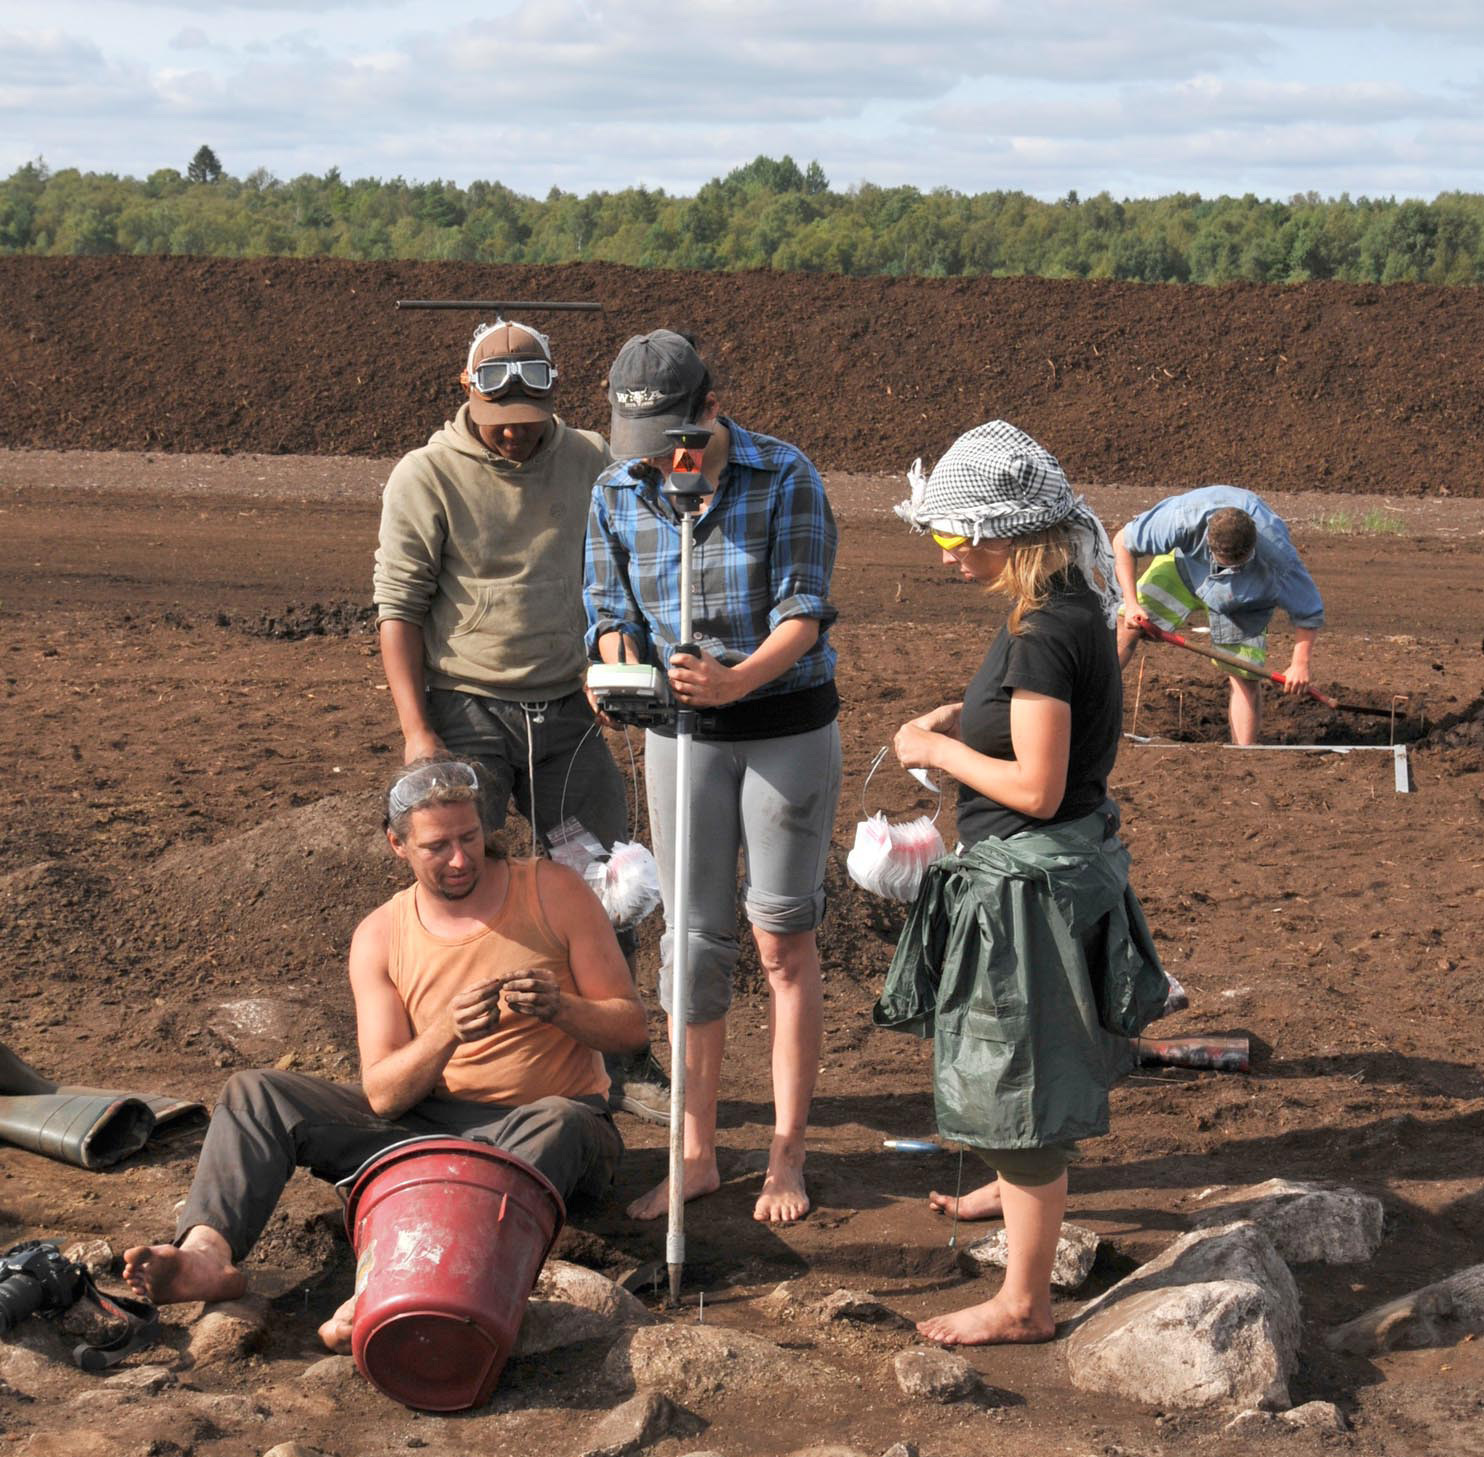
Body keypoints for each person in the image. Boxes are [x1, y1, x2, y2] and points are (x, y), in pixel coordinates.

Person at [124, 758, 644, 1349]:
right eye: (437, 846)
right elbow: (385, 1095)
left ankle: (399, 1280)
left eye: (470, 837)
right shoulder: (380, 934)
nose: (459, 858)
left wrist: (562, 1010)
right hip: (432, 1125)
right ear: (397, 844)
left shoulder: (552, 890)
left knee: (561, 1120)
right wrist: (445, 1032)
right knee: (256, 1093)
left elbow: (631, 1030)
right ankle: (205, 1256)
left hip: (554, 1127)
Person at [876, 421, 1169, 1346]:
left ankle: (1024, 1301)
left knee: (1018, 1084)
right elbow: (1048, 736)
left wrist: (933, 748)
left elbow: (1036, 787)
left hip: (1025, 889)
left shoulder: (1042, 630)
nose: (944, 552)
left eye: (952, 535)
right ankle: (1007, 1193)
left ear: (1003, 532)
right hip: (1060, 866)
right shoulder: (1075, 603)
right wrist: (965, 717)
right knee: (1023, 1057)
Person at [372, 317, 662, 1114]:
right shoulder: (424, 476)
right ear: (467, 393)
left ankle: (622, 1057)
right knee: (467, 880)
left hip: (569, 706)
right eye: (499, 426)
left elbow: (625, 571)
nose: (512, 440)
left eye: (527, 427)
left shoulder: (590, 463)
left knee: (612, 879)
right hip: (466, 708)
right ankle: (459, 1059)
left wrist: (615, 667)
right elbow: (397, 608)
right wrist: (417, 731)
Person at [584, 330, 840, 1226]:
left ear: (712, 409)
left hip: (783, 725)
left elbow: (803, 611)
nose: (661, 465)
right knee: (690, 945)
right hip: (679, 731)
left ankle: (785, 1152)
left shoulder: (787, 476)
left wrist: (734, 681)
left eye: (677, 444)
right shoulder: (617, 488)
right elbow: (610, 607)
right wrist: (616, 667)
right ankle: (694, 1153)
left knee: (780, 942)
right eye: (645, 449)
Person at [1113, 486, 1325, 745]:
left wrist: (1300, 663)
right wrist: (1132, 603)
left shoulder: (1278, 554)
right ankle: (1088, 717)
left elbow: (1309, 609)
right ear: (1208, 541)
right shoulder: (1182, 519)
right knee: (1125, 628)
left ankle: (1243, 756)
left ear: (1253, 546)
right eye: (1224, 561)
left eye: (1237, 562)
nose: (1229, 568)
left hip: (1244, 599)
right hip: (1184, 568)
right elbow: (1122, 542)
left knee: (1244, 675)